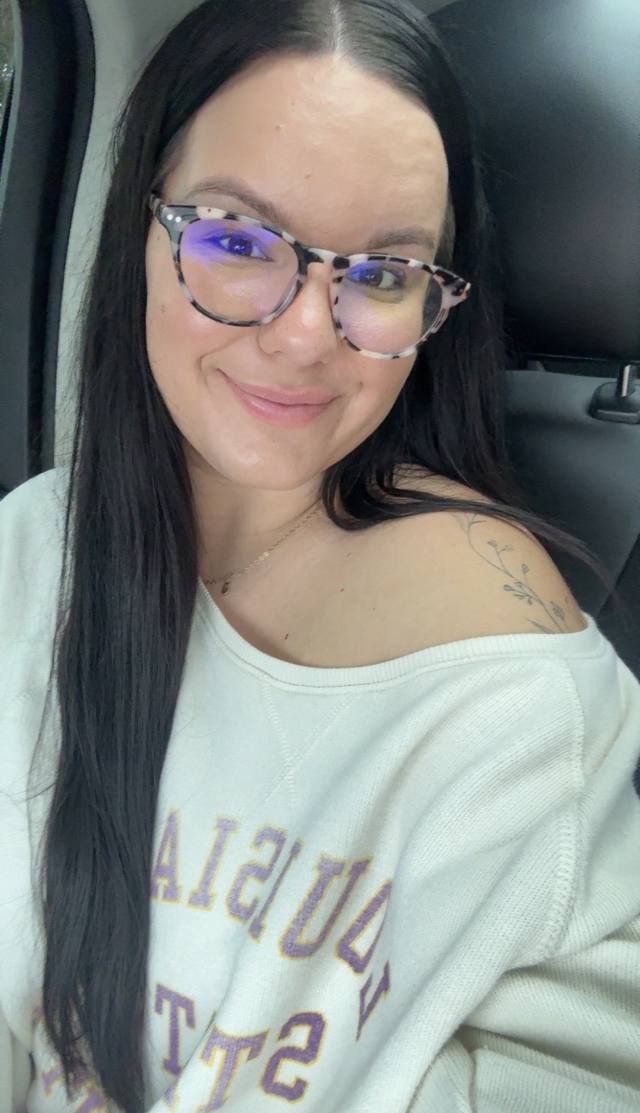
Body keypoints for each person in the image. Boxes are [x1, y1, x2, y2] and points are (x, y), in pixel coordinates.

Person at [1, 0, 639, 1109]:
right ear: (140, 229)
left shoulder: (504, 692)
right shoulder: (29, 551)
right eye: (238, 242)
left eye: (383, 275)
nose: (304, 335)